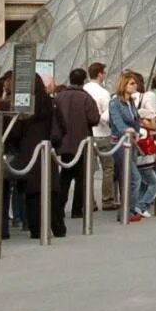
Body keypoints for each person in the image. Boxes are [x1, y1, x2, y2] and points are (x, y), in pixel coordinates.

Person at [12, 73, 66, 240]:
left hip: (29, 150)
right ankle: (57, 226)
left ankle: (35, 228)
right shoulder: (50, 103)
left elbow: (15, 132)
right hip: (47, 148)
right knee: (52, 190)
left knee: (33, 192)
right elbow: (62, 126)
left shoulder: (23, 106)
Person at [52, 68, 101, 229]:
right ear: (83, 80)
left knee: (65, 175)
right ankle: (77, 209)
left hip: (64, 143)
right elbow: (94, 118)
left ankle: (59, 205)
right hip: (82, 142)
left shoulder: (60, 96)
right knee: (81, 177)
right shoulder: (85, 97)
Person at [109, 72, 156, 221]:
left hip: (132, 143)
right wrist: (127, 130)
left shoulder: (131, 102)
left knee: (130, 178)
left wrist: (136, 131)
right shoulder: (115, 102)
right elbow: (117, 121)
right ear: (124, 85)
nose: (135, 85)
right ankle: (127, 210)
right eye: (131, 83)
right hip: (121, 144)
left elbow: (135, 121)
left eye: (135, 83)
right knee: (134, 178)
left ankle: (127, 210)